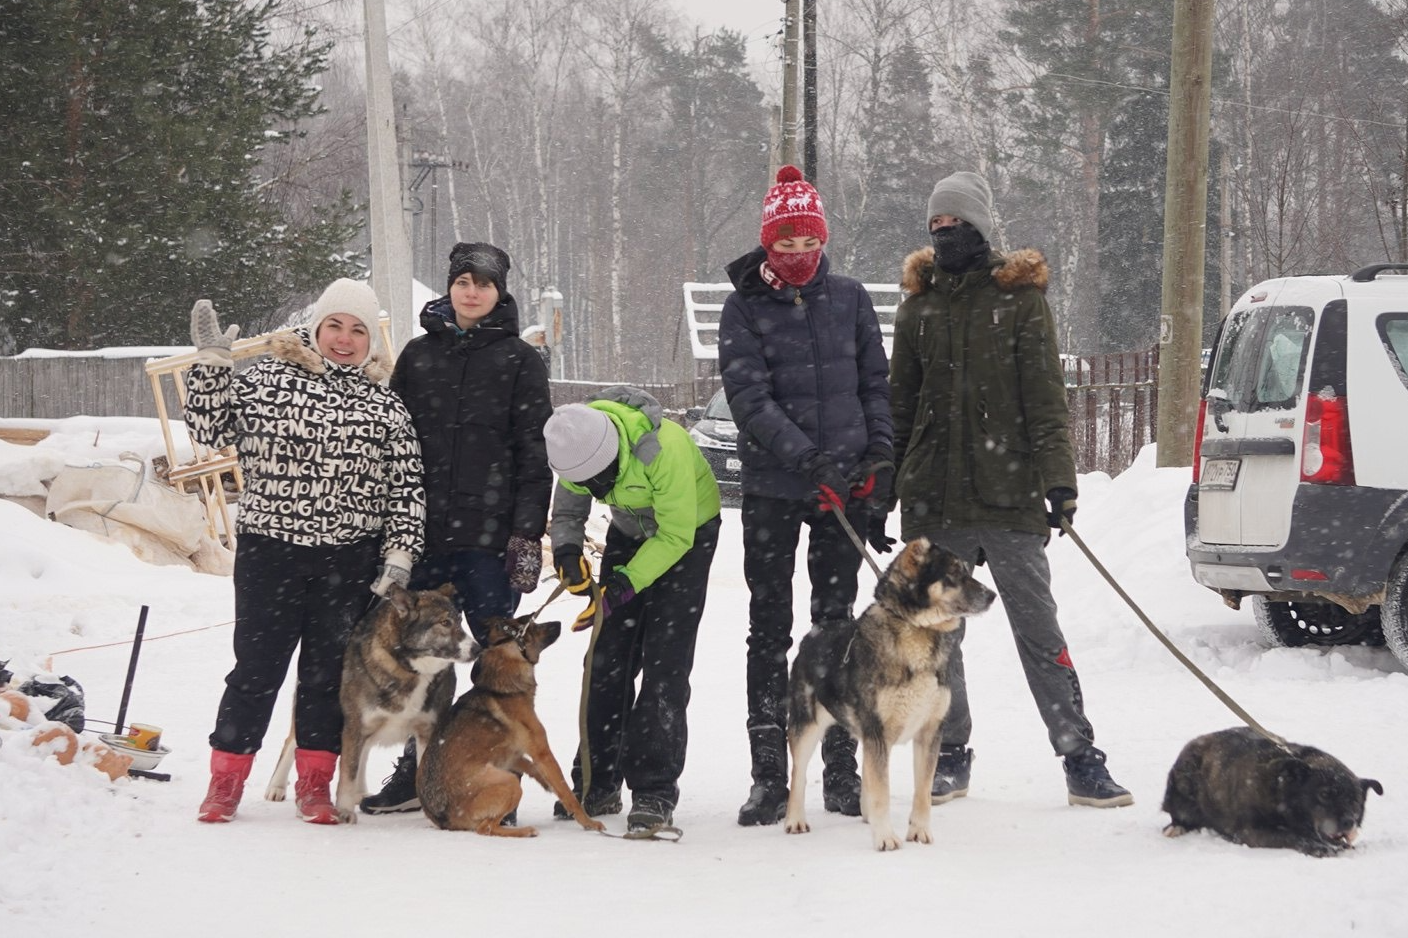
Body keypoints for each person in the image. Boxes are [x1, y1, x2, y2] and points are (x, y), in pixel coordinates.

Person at [886, 170, 1132, 808]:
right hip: (938, 499)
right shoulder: (917, 306)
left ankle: (1081, 757)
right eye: (936, 226)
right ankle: (951, 755)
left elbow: (1046, 399)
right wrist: (881, 487)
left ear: (979, 228)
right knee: (941, 635)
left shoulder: (1020, 301)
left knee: (1038, 630)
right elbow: (899, 406)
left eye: (956, 224)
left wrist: (1058, 482)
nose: (944, 235)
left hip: (1012, 493)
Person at [185, 278, 425, 824]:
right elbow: (207, 426)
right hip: (272, 553)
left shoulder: (385, 406)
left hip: (347, 562)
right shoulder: (268, 378)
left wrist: (400, 556)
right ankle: (225, 782)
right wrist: (212, 366)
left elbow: (407, 489)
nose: (345, 339)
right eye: (335, 325)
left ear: (371, 341)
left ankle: (315, 786)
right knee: (256, 670)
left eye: (358, 330)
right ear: (316, 326)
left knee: (326, 678)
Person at [717, 165, 894, 826]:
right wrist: (805, 458)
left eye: (807, 243)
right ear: (768, 244)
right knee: (769, 629)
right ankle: (770, 774)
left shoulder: (849, 300)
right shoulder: (743, 307)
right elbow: (749, 399)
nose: (797, 256)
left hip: (840, 491)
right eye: (785, 244)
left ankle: (841, 772)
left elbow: (877, 385)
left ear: (823, 240)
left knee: (838, 627)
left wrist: (878, 457)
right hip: (773, 489)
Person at [360, 241, 554, 816]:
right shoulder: (419, 357)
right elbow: (393, 448)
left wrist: (524, 535)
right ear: (450, 286)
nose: (472, 291)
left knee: (500, 663)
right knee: (424, 660)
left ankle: (498, 770)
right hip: (426, 536)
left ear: (499, 292)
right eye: (463, 281)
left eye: (484, 283)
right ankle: (419, 772)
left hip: (490, 542)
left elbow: (534, 455)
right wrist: (392, 527)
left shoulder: (521, 360)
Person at [543, 387, 721, 835]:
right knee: (605, 659)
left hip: (689, 535)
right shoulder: (575, 445)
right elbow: (567, 513)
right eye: (588, 485)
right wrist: (566, 553)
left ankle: (655, 790)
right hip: (630, 531)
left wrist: (622, 585)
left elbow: (676, 536)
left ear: (614, 452)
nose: (596, 492)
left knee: (666, 661)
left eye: (602, 481)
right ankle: (597, 779)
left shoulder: (663, 450)